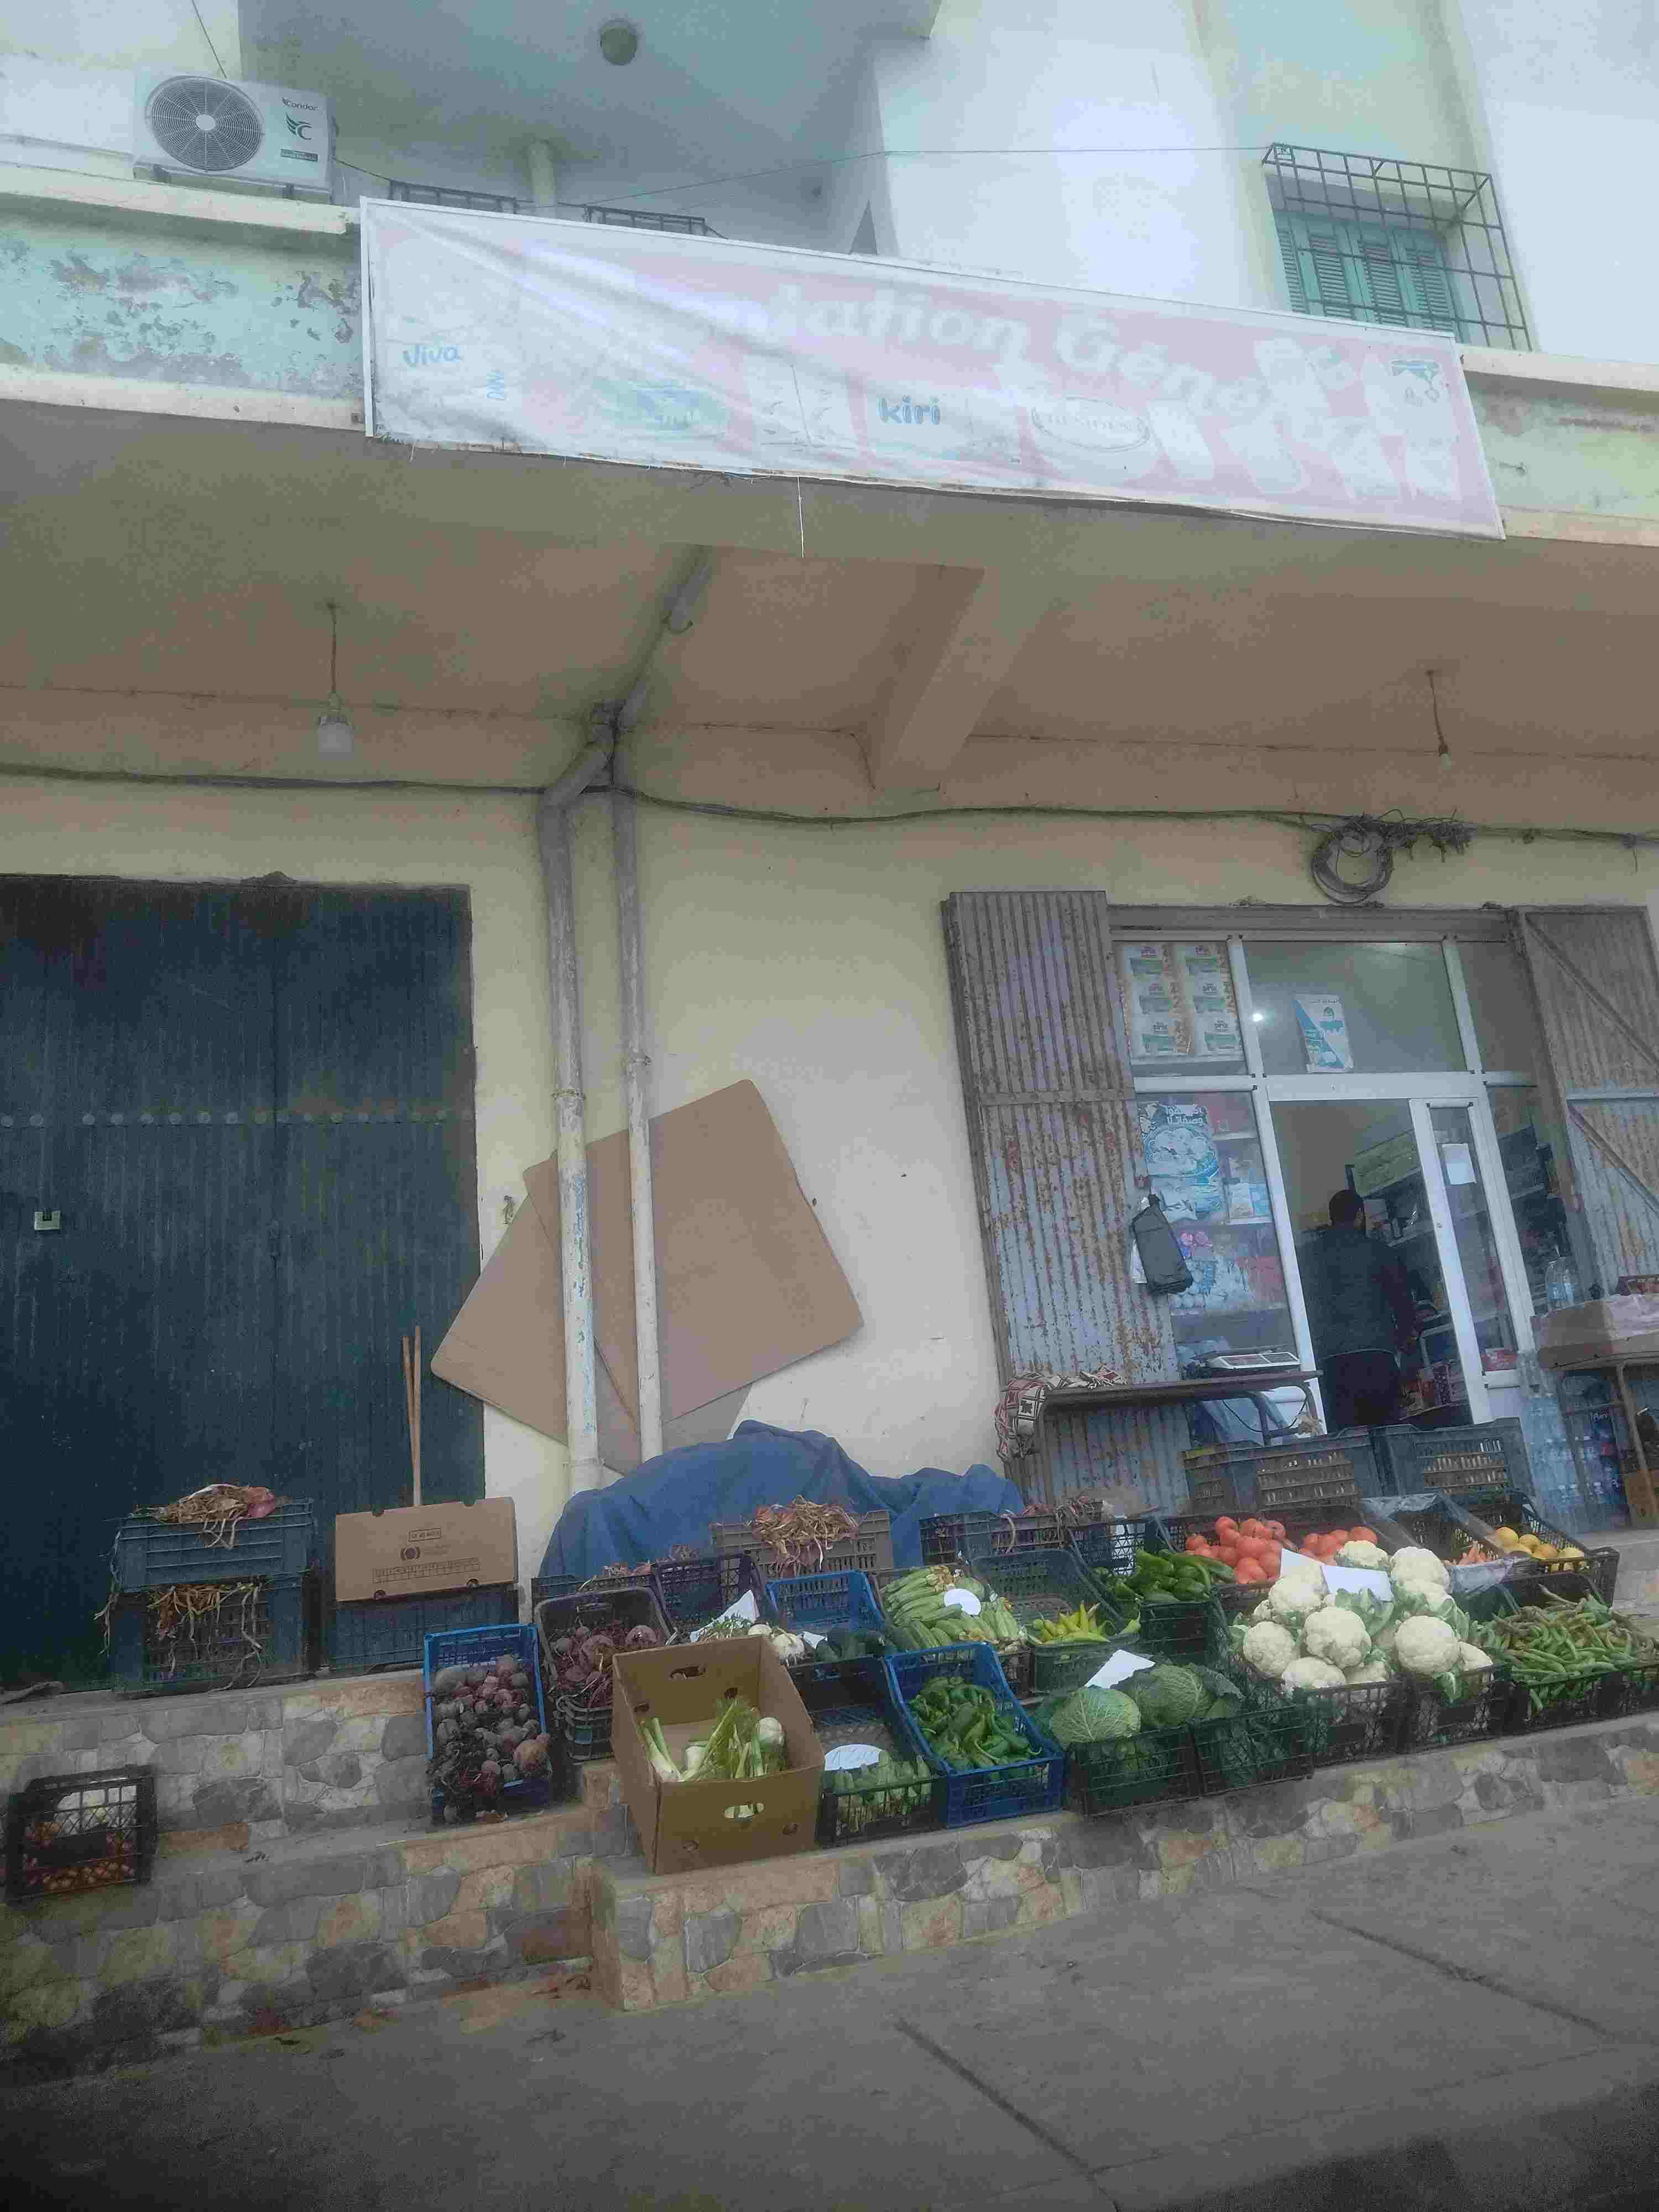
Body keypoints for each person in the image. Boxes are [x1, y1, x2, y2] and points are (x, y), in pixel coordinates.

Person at [1301, 1189, 1418, 1431]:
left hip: (1331, 1361)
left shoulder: (1308, 1257)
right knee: (1386, 1434)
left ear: (1332, 1217)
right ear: (1359, 1216)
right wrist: (1406, 1338)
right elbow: (1402, 1301)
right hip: (1377, 1356)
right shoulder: (1380, 1251)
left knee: (1348, 1438)